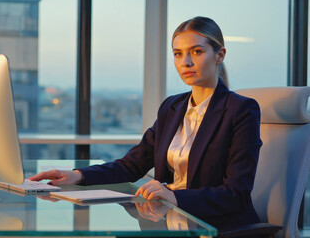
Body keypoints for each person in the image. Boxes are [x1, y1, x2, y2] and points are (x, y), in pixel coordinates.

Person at [30, 16, 262, 227]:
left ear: (219, 55)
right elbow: (131, 165)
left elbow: (236, 193)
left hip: (217, 226)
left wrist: (174, 196)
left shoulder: (240, 110)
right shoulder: (172, 107)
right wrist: (77, 175)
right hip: (170, 221)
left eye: (197, 52)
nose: (186, 62)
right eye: (178, 53)